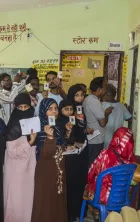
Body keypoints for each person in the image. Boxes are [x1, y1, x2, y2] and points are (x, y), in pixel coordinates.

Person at [83, 127, 135, 221]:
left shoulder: (105, 154)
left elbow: (91, 173)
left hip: (103, 198)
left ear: (115, 139)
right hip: (122, 198)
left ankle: (98, 215)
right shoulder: (131, 162)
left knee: (90, 186)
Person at [31, 98, 68, 222]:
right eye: (50, 109)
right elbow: (46, 154)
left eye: (56, 109)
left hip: (58, 171)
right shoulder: (41, 129)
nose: (54, 112)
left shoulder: (56, 128)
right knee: (46, 202)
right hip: (46, 172)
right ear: (43, 111)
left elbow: (61, 146)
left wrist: (67, 134)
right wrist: (50, 138)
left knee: (57, 202)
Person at [3, 93, 36, 222]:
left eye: (25, 107)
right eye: (20, 107)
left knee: (27, 202)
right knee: (15, 203)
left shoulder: (33, 123)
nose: (23, 110)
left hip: (29, 169)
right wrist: (29, 143)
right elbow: (12, 152)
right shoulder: (13, 127)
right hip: (16, 171)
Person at [65, 84, 89, 222]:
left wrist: (84, 126)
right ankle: (70, 213)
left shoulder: (81, 110)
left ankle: (79, 211)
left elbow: (82, 128)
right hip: (71, 153)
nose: (80, 98)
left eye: (82, 95)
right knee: (71, 183)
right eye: (77, 95)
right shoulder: (67, 109)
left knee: (81, 181)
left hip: (82, 150)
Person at [83, 77, 113, 166]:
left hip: (93, 137)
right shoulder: (94, 101)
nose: (106, 90)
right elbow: (102, 123)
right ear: (99, 89)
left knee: (92, 163)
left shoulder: (89, 98)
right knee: (94, 165)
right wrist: (107, 113)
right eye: (105, 87)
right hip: (96, 139)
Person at [102, 83, 131, 149]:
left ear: (106, 95)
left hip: (106, 137)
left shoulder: (102, 105)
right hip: (118, 136)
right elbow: (129, 118)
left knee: (106, 154)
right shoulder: (121, 106)